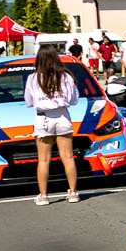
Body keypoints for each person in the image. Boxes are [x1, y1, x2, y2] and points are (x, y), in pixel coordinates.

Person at [25, 44, 82, 204]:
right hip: (62, 115)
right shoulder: (66, 76)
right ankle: (73, 192)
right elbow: (74, 100)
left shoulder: (33, 78)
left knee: (43, 159)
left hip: (43, 118)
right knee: (68, 157)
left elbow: (28, 102)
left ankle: (43, 195)